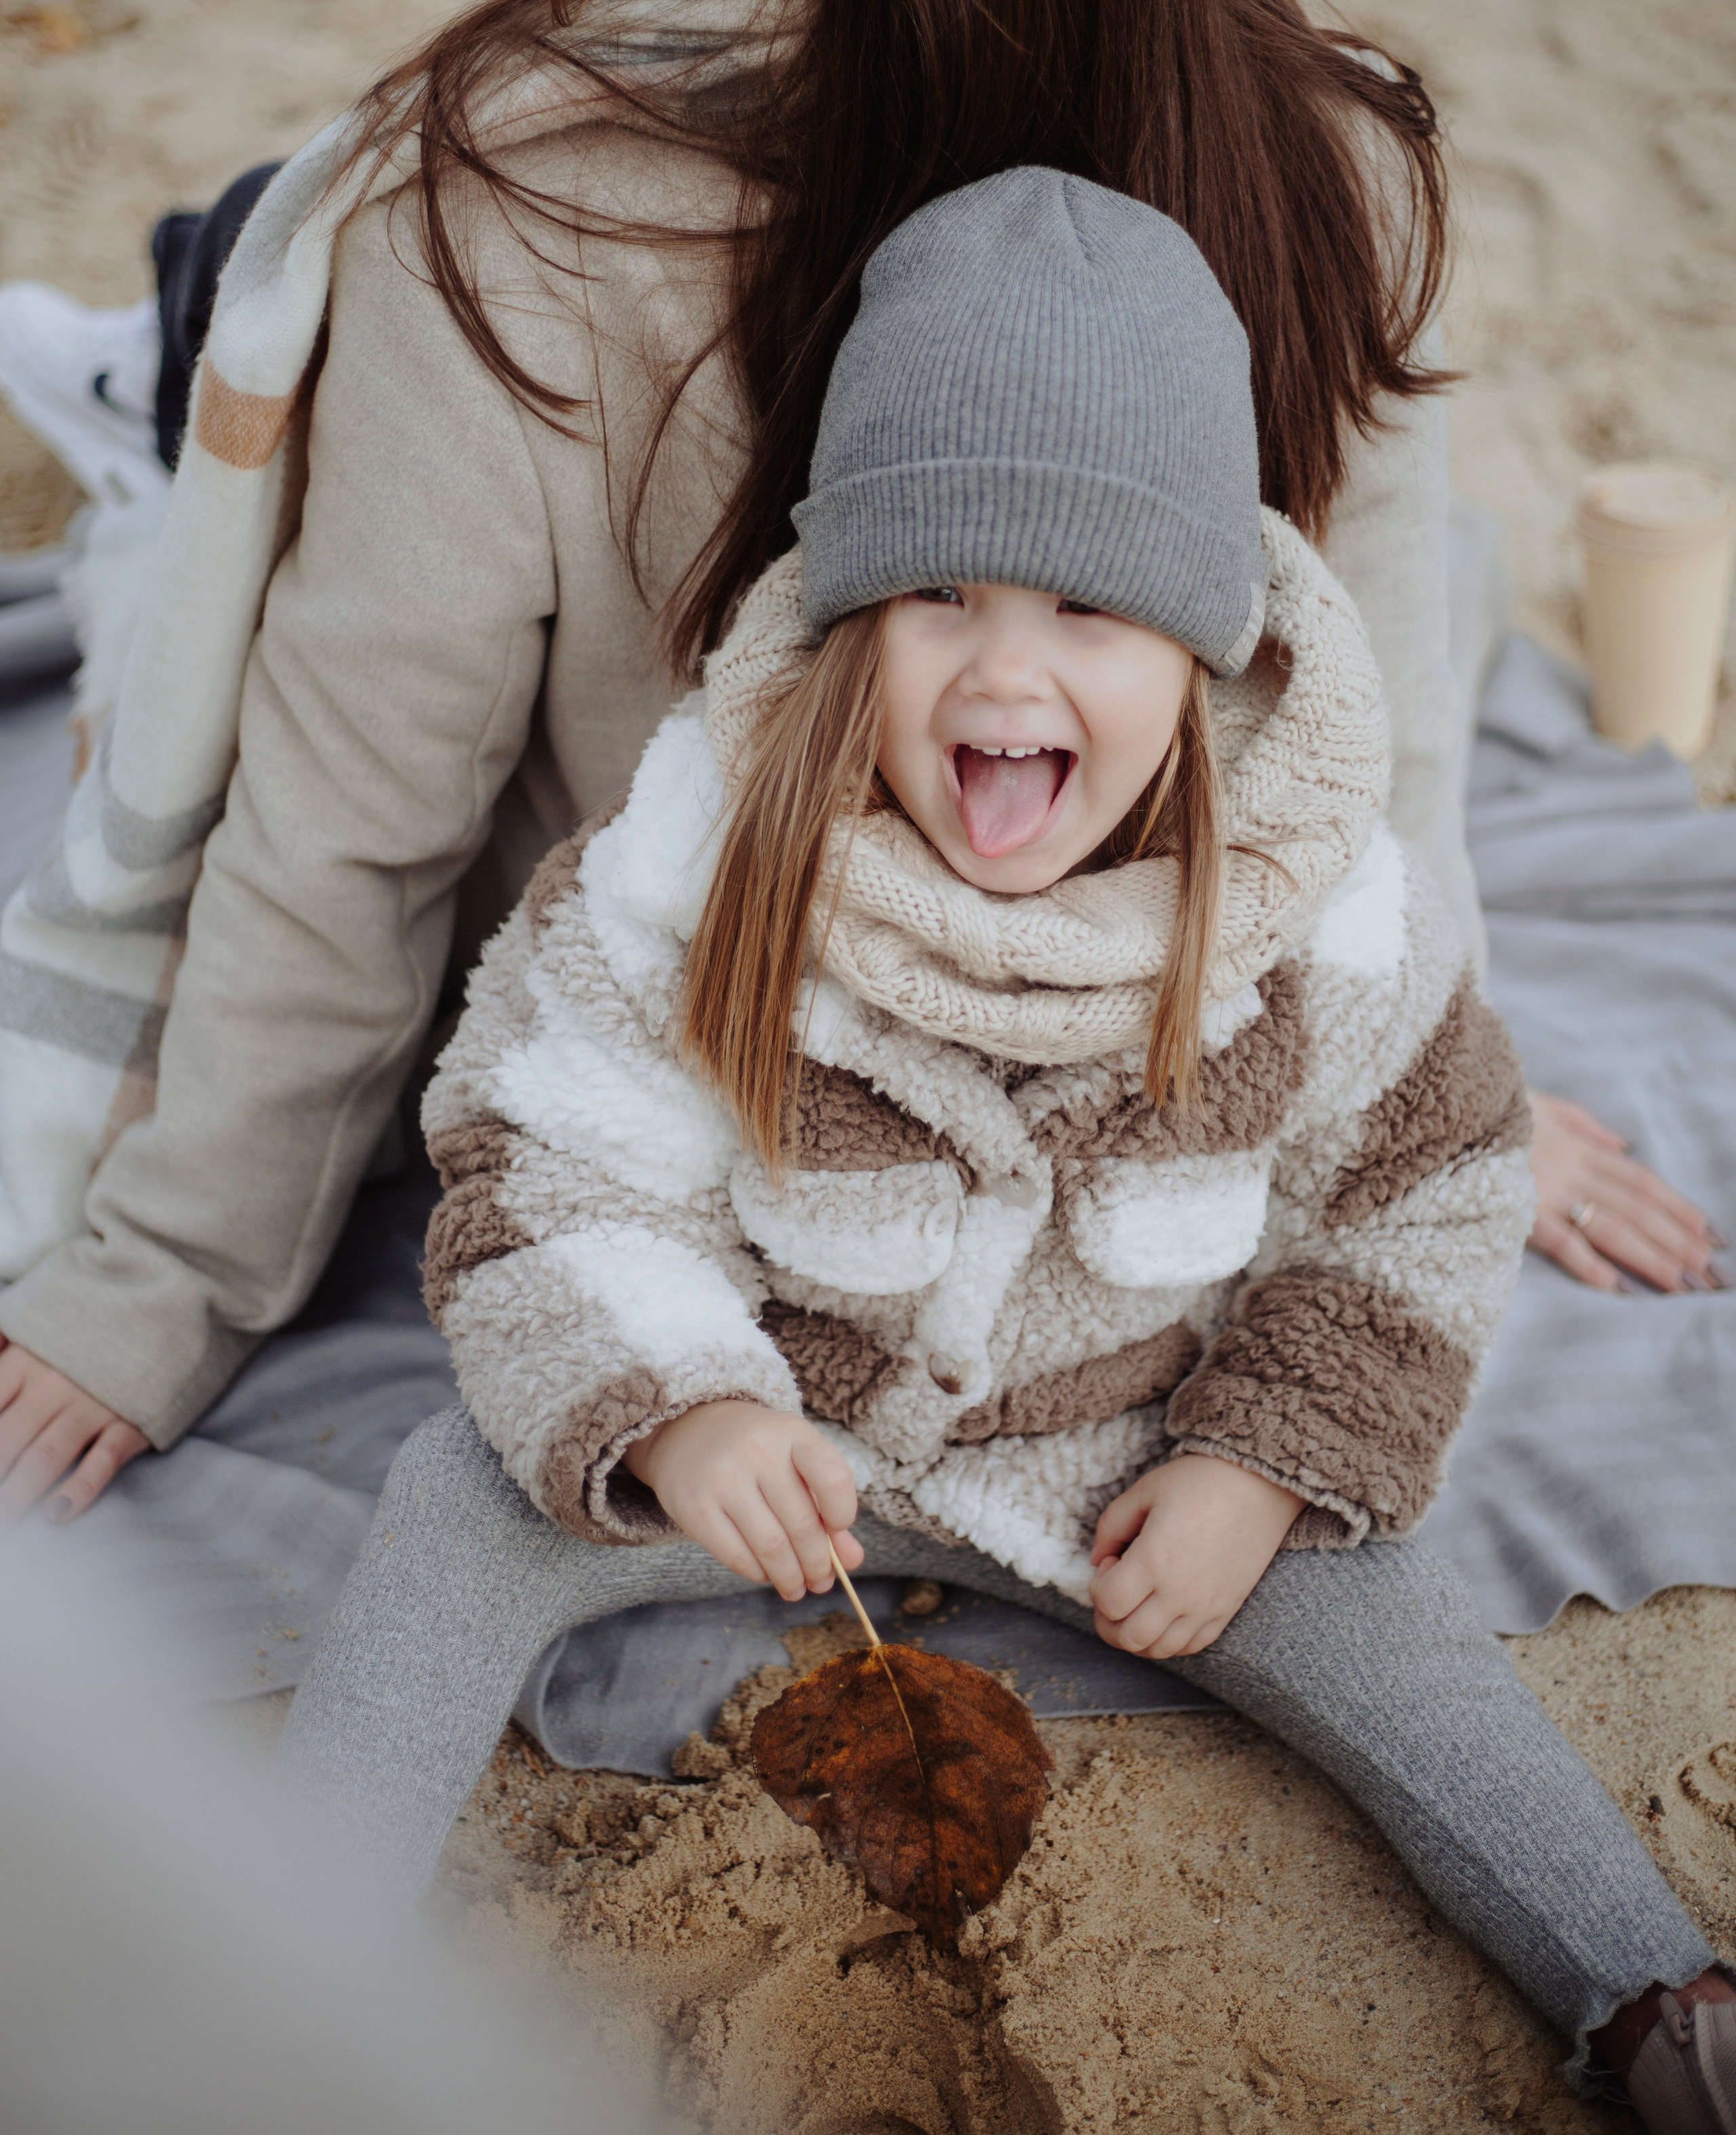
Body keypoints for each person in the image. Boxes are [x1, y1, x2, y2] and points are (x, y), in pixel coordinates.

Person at [0, 0, 1716, 1555]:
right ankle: (168, 329)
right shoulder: (1321, 145)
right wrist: (1431, 1070)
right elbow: (1386, 733)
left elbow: (351, 835)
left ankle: (165, 346)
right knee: (243, 269)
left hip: (716, 1047)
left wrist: (167, 1283)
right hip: (1068, 1027)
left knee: (248, 281)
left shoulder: (502, 209)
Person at [277, 171, 1732, 2124]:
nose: (1007, 669)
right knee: (457, 1509)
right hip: (775, 1421)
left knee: (1370, 1610)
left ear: (1204, 653)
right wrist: (687, 1412)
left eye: (1091, 607)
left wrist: (1253, 1464)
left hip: (1114, 1439)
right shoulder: (692, 873)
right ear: (855, 615)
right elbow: (545, 1167)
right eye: (941, 592)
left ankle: (1652, 1995)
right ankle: (276, 1969)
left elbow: (1427, 1189)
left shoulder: (1315, 907)